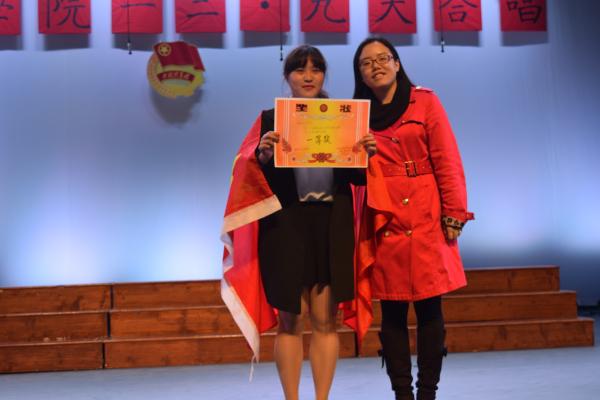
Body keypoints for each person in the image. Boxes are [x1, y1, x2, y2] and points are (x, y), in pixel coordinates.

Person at [246, 45, 376, 400]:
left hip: (331, 225)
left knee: (325, 320)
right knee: (290, 320)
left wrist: (366, 155)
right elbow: (254, 182)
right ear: (286, 76)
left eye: (316, 69)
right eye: (299, 69)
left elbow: (357, 179)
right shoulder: (271, 120)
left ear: (323, 75)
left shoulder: (345, 116)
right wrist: (263, 156)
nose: (308, 76)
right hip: (285, 226)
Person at [352, 37, 474, 400]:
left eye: (382, 58)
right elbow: (350, 172)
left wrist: (454, 211)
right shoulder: (356, 115)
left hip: (426, 212)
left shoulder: (426, 101)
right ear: (360, 74)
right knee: (391, 308)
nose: (376, 66)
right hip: (383, 213)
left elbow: (447, 159)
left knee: (430, 305)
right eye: (366, 63)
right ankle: (402, 393)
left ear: (397, 63)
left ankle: (428, 392)